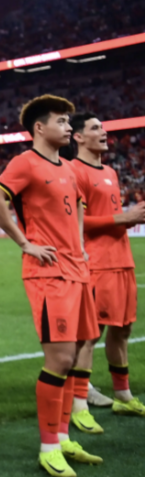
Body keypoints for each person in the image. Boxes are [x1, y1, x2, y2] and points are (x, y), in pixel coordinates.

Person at [0, 94, 102, 477]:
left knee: (78, 351)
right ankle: (48, 447)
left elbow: (78, 207)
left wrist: (80, 246)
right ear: (39, 127)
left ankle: (63, 438)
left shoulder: (67, 166)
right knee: (60, 359)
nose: (68, 127)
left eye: (69, 121)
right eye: (61, 121)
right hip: (48, 273)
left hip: (76, 270)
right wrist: (25, 243)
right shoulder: (25, 162)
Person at [68, 112, 145, 422]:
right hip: (96, 264)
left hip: (122, 261)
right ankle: (79, 402)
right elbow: (77, 222)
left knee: (123, 329)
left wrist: (126, 218)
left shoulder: (110, 171)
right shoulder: (74, 171)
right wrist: (124, 217)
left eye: (103, 127)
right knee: (90, 335)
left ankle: (123, 395)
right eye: (95, 128)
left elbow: (109, 215)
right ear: (78, 137)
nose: (104, 132)